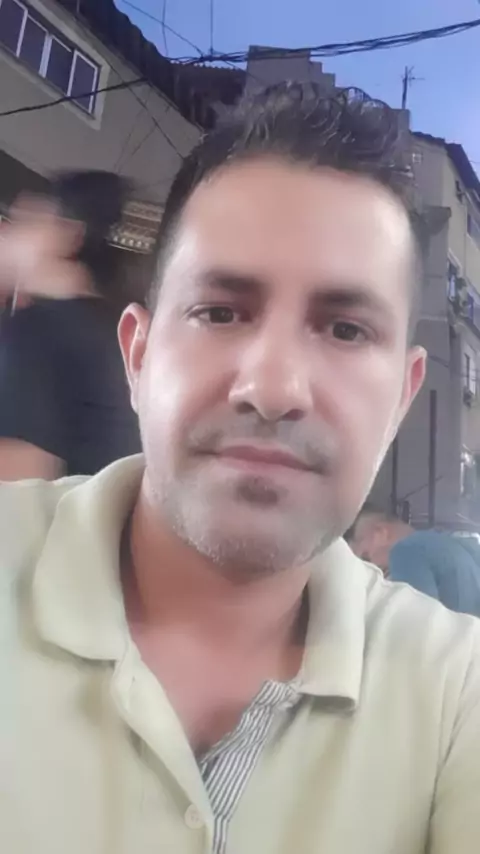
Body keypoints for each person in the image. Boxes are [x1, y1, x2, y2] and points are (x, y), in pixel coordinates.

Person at [1, 83, 480, 854]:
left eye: (346, 329)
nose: (274, 388)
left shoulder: (457, 690)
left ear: (402, 396)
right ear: (138, 357)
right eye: (220, 312)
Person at [0, 171, 141, 479]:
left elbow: (18, 481)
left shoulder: (36, 332)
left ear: (69, 234)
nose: (8, 236)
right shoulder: (115, 330)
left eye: (27, 222)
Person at [348, 506, 480, 616]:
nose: (370, 567)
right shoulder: (457, 544)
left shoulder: (405, 551)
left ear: (380, 533)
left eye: (365, 557)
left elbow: (418, 623)